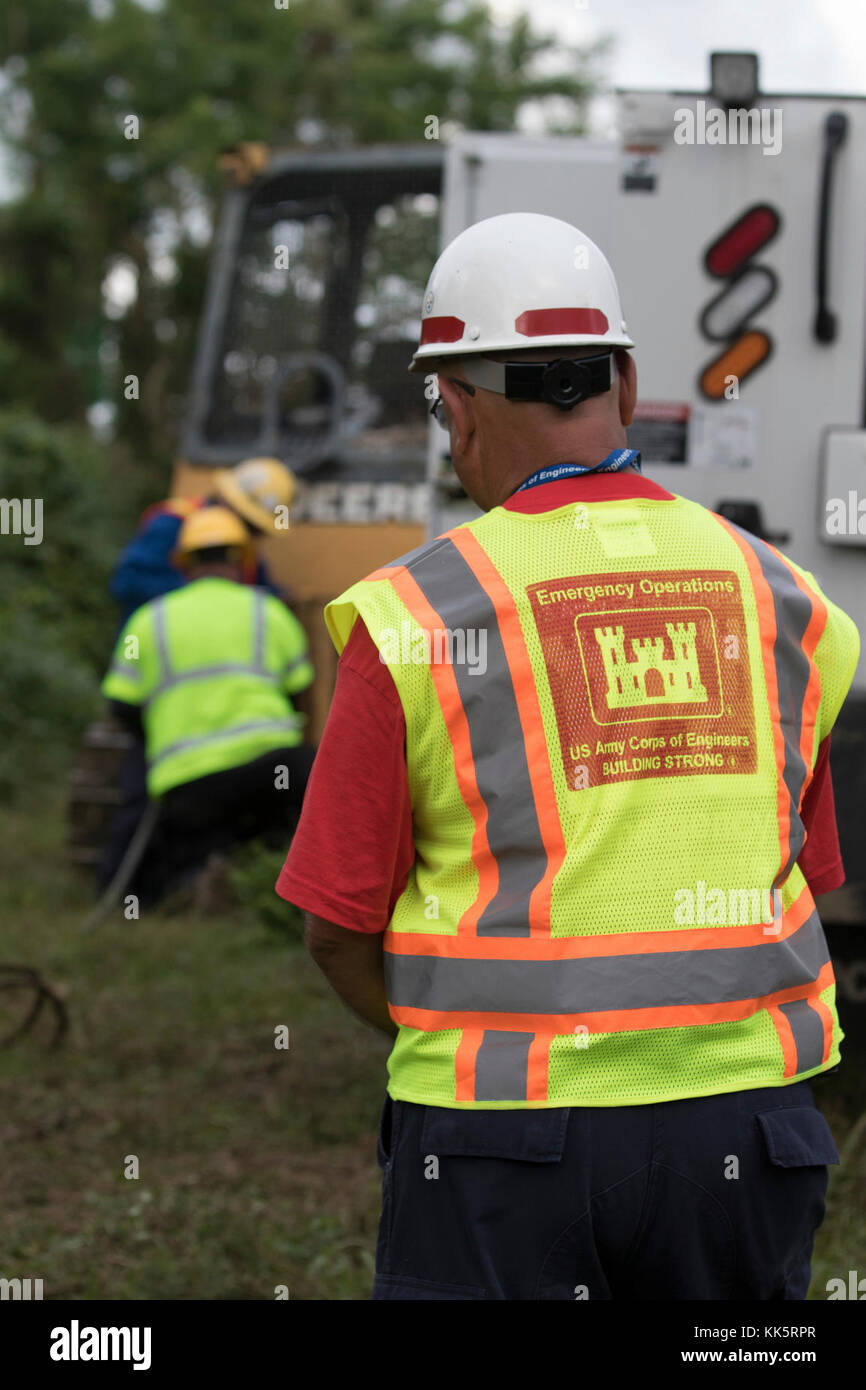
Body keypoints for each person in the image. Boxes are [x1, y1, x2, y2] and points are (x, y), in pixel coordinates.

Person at [275, 212, 860, 1301]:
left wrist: (466, 1032)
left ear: (454, 404)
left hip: (499, 1148)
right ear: (624, 384)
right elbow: (809, 875)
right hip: (748, 1134)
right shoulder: (787, 601)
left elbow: (336, 929)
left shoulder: (411, 617)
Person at [102, 506, 315, 904]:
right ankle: (287, 884)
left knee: (188, 849)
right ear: (241, 562)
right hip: (274, 770)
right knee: (304, 793)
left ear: (183, 564)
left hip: (189, 783)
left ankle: (195, 881)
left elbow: (122, 706)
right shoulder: (269, 611)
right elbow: (299, 691)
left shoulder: (148, 620)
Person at [110, 457, 296, 624]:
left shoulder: (243, 546)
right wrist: (203, 591)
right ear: (226, 501)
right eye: (250, 525)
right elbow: (128, 583)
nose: (251, 535)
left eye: (258, 531)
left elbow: (256, 585)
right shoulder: (172, 525)